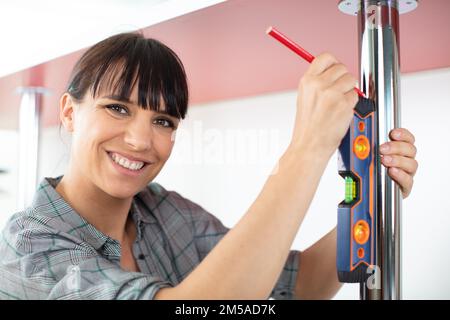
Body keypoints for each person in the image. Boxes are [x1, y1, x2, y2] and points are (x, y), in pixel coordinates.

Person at [0, 32, 418, 300]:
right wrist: (307, 148)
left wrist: (376, 195)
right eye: (117, 108)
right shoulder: (27, 250)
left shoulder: (166, 213)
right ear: (69, 113)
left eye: (163, 121)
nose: (141, 141)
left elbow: (295, 285)